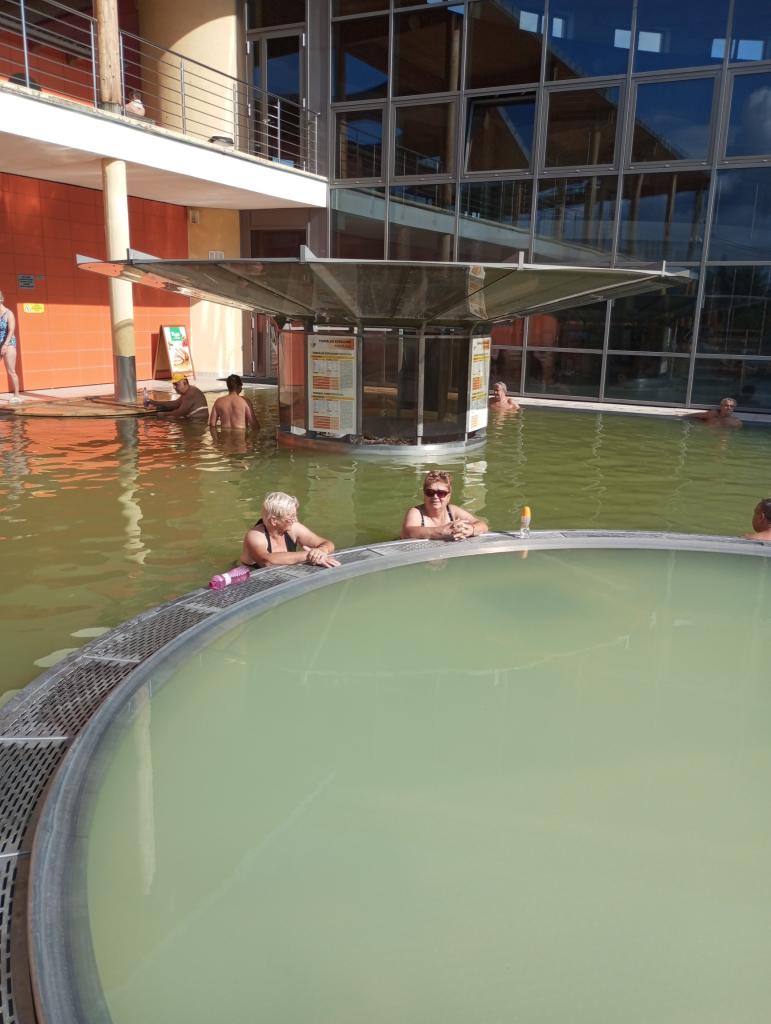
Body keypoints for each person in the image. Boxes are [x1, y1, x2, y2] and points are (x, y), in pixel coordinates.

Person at [240, 491, 340, 569]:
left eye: (295, 515)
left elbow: (327, 543)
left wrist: (321, 551)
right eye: (291, 517)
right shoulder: (255, 535)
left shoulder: (294, 527)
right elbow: (267, 561)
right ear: (274, 521)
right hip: (251, 579)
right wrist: (310, 555)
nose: (295, 520)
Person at [401, 470, 489, 541]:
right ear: (424, 494)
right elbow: (407, 532)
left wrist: (471, 529)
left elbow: (483, 525)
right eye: (430, 492)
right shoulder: (416, 512)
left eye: (441, 493)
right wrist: (442, 531)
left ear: (448, 496)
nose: (435, 497)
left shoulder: (452, 511)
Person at [0, 290, 21, 403]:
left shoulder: (9, 313)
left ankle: (16, 395)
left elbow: (11, 330)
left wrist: (5, 345)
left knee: (11, 370)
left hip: (9, 343)